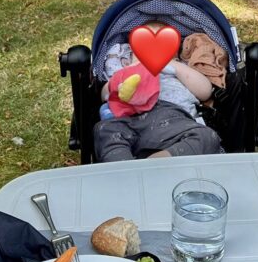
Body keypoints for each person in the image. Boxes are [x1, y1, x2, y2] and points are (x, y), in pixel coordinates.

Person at [93, 24, 222, 162]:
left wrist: (173, 65)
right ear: (129, 53)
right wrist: (131, 70)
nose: (153, 49)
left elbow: (205, 91)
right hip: (127, 119)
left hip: (173, 121)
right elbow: (104, 95)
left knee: (207, 136)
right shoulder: (125, 68)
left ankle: (160, 160)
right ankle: (124, 166)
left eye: (163, 44)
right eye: (144, 44)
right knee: (104, 130)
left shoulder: (177, 69)